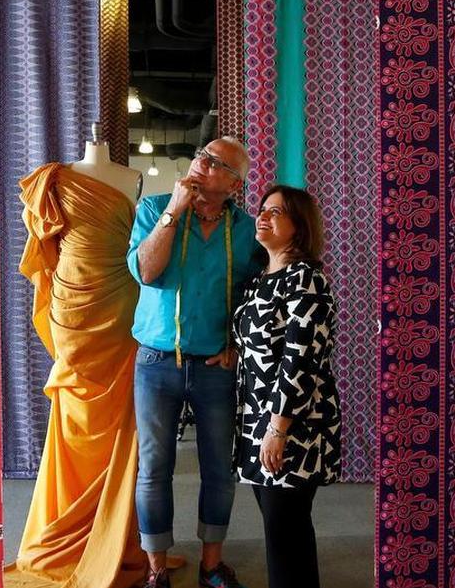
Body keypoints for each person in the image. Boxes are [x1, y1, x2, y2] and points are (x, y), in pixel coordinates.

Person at [7, 134, 145, 588]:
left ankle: (109, 532)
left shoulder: (133, 177)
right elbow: (43, 245)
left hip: (120, 307)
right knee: (72, 413)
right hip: (73, 306)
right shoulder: (57, 178)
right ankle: (67, 520)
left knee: (119, 418)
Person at [127, 137, 262, 588]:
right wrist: (174, 213)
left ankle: (211, 566)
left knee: (218, 468)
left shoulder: (246, 231)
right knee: (154, 467)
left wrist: (238, 343)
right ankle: (156, 571)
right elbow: (147, 271)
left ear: (234, 183)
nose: (202, 165)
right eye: (202, 156)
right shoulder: (154, 209)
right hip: (155, 362)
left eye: (216, 163)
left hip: (214, 369)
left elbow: (257, 298)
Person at [233, 185, 340, 588]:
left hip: (293, 426)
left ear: (299, 225)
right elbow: (255, 345)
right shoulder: (260, 279)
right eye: (262, 209)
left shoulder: (306, 280)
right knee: (284, 533)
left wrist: (278, 428)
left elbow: (300, 361)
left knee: (286, 533)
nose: (262, 216)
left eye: (275, 211)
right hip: (257, 423)